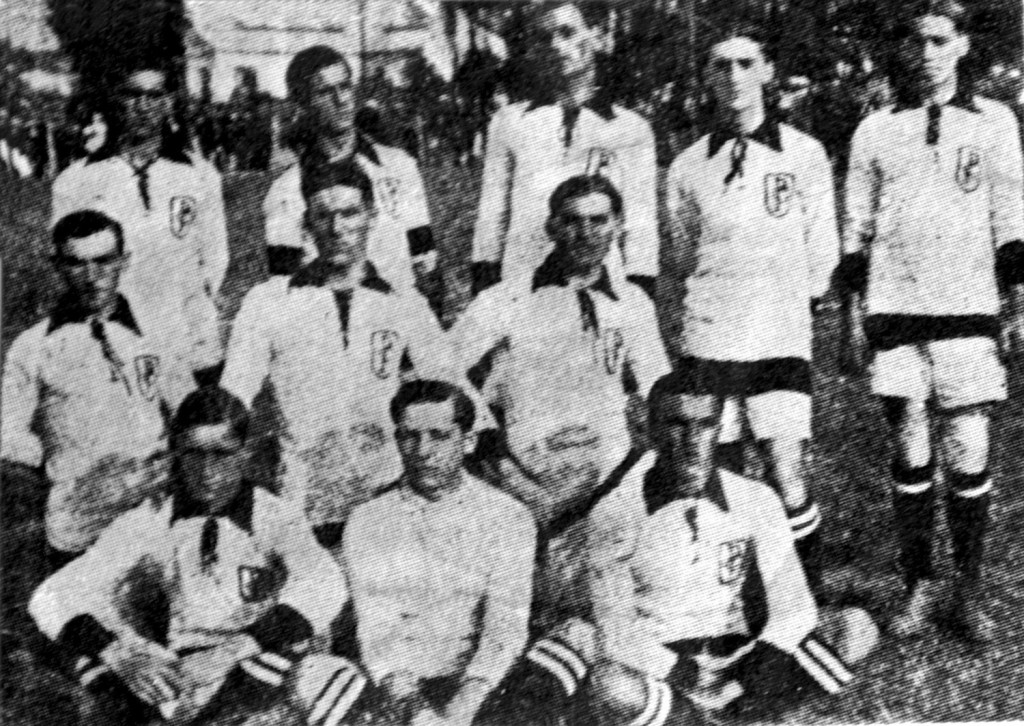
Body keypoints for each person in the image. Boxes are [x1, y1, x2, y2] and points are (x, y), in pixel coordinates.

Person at [841, 0, 1024, 642]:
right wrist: (852, 317)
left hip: (968, 307)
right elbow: (856, 228)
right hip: (894, 309)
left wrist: (1017, 303)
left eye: (939, 41)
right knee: (910, 451)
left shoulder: (995, 121)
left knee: (968, 451)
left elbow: (1011, 218)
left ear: (962, 46)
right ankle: (918, 584)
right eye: (915, 41)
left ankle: (967, 589)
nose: (925, 54)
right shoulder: (875, 128)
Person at [27, 386, 346, 725]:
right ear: (176, 454)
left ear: (244, 453)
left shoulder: (275, 517)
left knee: (327, 677)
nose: (207, 471)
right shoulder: (150, 518)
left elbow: (325, 584)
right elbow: (52, 594)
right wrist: (121, 655)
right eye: (194, 454)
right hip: (183, 668)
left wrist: (232, 651)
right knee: (88, 662)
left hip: (256, 654)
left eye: (221, 454)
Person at [578, 372, 879, 725]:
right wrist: (689, 675)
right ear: (651, 430)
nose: (692, 440)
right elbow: (615, 631)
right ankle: (716, 714)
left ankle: (708, 715)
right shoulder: (616, 513)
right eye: (677, 425)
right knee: (611, 686)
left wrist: (746, 677)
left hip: (742, 656)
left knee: (856, 628)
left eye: (705, 425)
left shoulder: (755, 498)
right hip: (666, 663)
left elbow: (794, 606)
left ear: (719, 428)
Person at [659, 23, 840, 594]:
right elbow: (682, 252)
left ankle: (802, 601)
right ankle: (731, 603)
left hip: (778, 335)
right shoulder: (687, 165)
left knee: (786, 468)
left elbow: (823, 248)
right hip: (709, 333)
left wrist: (792, 307)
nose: (733, 76)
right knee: (718, 472)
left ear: (766, 72)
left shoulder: (804, 154)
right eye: (720, 65)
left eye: (744, 64)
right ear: (706, 78)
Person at [454, 174, 670, 627]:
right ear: (551, 227)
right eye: (572, 221)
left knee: (604, 609)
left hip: (606, 480)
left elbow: (659, 392)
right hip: (524, 477)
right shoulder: (505, 299)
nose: (586, 234)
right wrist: (491, 449)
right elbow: (440, 372)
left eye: (598, 221)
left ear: (618, 226)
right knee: (515, 614)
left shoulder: (633, 303)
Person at [222, 159, 451, 543]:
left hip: (386, 497)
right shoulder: (268, 301)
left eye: (350, 213)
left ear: (371, 217)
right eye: (324, 216)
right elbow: (234, 399)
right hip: (302, 503)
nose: (337, 228)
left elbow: (448, 386)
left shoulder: (403, 300)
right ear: (306, 225)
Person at [340, 379, 537, 726]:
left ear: (468, 441)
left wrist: (460, 710)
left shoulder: (508, 515)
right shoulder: (368, 520)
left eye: (439, 436)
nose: (423, 451)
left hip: (480, 686)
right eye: (410, 436)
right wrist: (419, 714)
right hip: (398, 687)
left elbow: (505, 629)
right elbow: (377, 634)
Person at [2, 210, 191, 570]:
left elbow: (188, 414)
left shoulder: (158, 335)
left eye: (104, 261)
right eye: (77, 264)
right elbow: (8, 434)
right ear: (57, 266)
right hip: (77, 524)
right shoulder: (31, 347)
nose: (92, 277)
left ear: (124, 260)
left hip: (155, 516)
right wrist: (59, 466)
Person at [51, 63, 229, 386]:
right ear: (116, 101)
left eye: (154, 96)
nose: (143, 106)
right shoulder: (76, 181)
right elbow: (69, 265)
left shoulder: (199, 174)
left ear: (169, 101)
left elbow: (215, 257)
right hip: (115, 333)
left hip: (185, 332)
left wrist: (195, 309)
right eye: (133, 95)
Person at [470, 1, 658, 298]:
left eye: (567, 32)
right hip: (524, 282)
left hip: (599, 285)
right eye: (544, 38)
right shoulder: (508, 122)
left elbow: (640, 223)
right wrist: (485, 291)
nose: (556, 46)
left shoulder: (631, 128)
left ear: (597, 35)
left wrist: (640, 295)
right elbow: (492, 217)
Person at [265, 46, 438, 302]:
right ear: (302, 103)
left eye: (345, 87)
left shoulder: (400, 167)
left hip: (396, 315)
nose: (341, 99)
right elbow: (283, 290)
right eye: (325, 92)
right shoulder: (286, 190)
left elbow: (426, 263)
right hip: (323, 319)